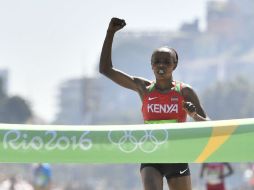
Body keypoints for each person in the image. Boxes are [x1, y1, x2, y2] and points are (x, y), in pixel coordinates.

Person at [99, 17, 209, 190]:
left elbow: (210, 126)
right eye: (157, 61)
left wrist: (194, 116)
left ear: (175, 65)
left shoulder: (185, 92)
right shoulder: (143, 88)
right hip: (151, 155)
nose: (161, 65)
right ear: (151, 65)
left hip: (177, 155)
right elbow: (105, 69)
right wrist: (110, 33)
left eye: (167, 61)